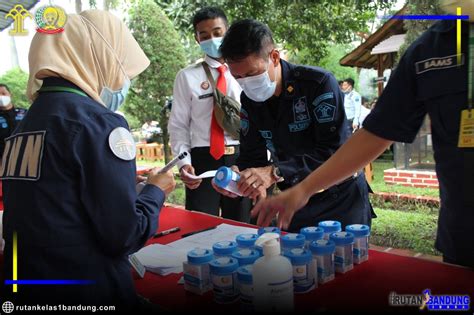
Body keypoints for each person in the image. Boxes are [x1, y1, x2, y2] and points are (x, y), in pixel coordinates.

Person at [251, 1, 474, 268]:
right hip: (463, 236)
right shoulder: (429, 52)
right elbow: (376, 134)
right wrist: (303, 190)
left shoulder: (317, 82)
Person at [0, 10, 176, 308]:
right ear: (93, 56)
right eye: (118, 66)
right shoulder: (97, 123)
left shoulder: (25, 124)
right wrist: (155, 191)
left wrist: (112, 180)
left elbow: (54, 191)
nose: (120, 80)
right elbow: (123, 236)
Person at [213, 19, 374, 232]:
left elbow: (334, 150)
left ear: (274, 57)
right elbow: (252, 157)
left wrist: (274, 172)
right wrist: (239, 178)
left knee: (345, 262)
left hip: (339, 198)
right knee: (296, 263)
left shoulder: (317, 84)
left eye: (252, 74)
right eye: (238, 77)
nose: (246, 83)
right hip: (293, 202)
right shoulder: (250, 101)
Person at [168, 7, 252, 222]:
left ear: (228, 31)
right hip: (202, 161)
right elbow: (178, 125)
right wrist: (184, 163)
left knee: (242, 225)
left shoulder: (247, 70)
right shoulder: (187, 77)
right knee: (201, 225)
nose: (212, 39)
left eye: (217, 32)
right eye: (204, 36)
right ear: (197, 39)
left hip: (242, 157)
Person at [0, 84, 27, 156]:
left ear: (10, 94)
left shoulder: (24, 113)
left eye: (3, 93)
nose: (1, 97)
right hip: (3, 158)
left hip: (25, 155)